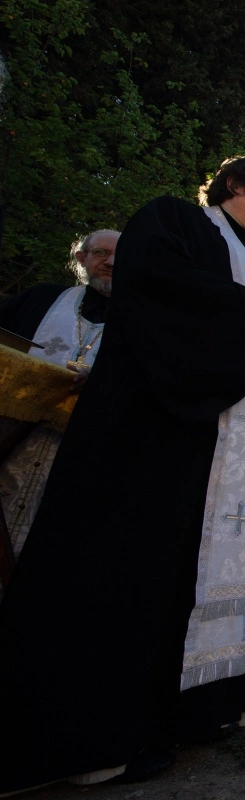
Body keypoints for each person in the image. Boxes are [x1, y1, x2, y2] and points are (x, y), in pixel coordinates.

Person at [0, 155, 245, 792]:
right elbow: (164, 293)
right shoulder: (174, 222)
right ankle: (77, 746)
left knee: (178, 587)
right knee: (113, 580)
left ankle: (186, 714)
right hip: (154, 441)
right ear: (236, 184)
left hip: (219, 468)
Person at [0, 229, 118, 582]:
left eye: (122, 256)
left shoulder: (143, 324)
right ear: (82, 259)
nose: (111, 262)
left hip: (80, 463)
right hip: (10, 445)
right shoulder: (39, 299)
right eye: (100, 253)